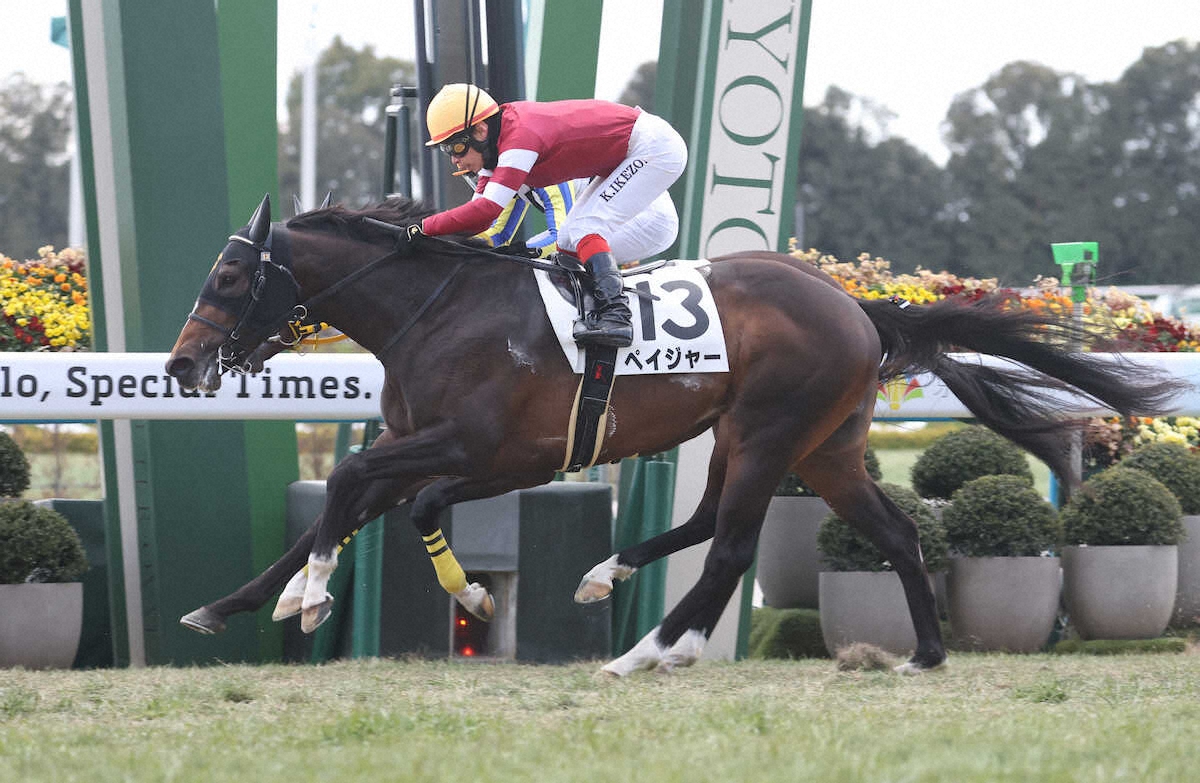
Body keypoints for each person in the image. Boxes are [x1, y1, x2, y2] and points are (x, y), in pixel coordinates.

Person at [417, 83, 688, 348]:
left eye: (456, 147)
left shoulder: (520, 140)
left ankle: (616, 316)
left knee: (584, 228)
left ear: (480, 130)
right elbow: (484, 226)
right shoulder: (499, 150)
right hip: (632, 159)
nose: (454, 159)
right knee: (568, 243)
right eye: (446, 150)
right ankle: (590, 312)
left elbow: (486, 211)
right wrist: (431, 248)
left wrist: (420, 227)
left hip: (653, 154)